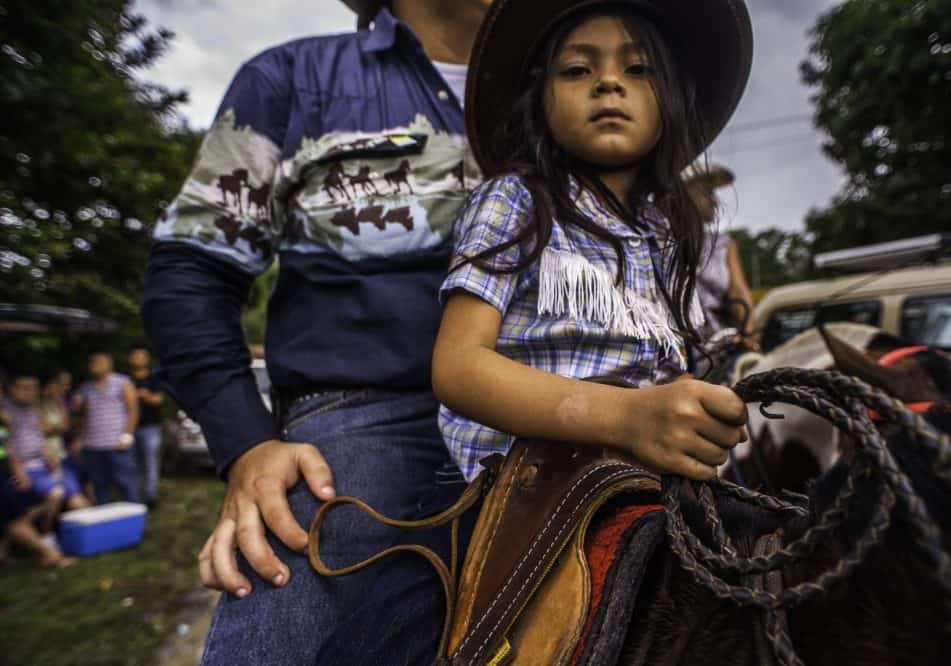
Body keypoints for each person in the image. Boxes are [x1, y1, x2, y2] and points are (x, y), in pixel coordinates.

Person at [140, 1, 492, 663]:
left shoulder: (580, 79)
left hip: (571, 411)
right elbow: (191, 269)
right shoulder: (292, 80)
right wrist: (247, 445)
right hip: (366, 423)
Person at [432, 0, 752, 483]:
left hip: (648, 478)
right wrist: (628, 417)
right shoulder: (514, 201)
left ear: (670, 100)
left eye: (638, 68)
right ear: (538, 99)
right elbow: (458, 367)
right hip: (536, 486)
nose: (608, 82)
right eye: (578, 69)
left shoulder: (663, 230)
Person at [3, 373, 89, 533]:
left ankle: (91, 532)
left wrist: (50, 456)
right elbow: (7, 444)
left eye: (33, 388)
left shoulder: (33, 409)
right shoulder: (5, 412)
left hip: (44, 464)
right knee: (56, 494)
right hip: (25, 469)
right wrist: (17, 470)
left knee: (77, 499)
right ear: (12, 390)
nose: (30, 392)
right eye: (25, 388)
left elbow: (39, 439)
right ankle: (46, 534)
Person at [688, 164, 758, 343]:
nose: (714, 201)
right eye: (707, 193)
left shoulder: (723, 245)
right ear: (684, 194)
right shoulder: (657, 243)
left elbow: (738, 292)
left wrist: (748, 335)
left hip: (721, 345)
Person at [73, 352, 139, 504]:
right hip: (93, 445)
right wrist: (80, 438)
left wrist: (127, 435)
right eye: (91, 362)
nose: (93, 365)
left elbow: (133, 409)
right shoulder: (86, 388)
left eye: (97, 361)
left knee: (125, 482)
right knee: (99, 485)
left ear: (108, 364)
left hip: (117, 443)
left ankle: (134, 519)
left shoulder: (122, 382)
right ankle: (108, 521)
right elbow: (84, 416)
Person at [127, 345, 165, 509]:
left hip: (150, 427)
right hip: (130, 428)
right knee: (133, 463)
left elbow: (159, 400)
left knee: (150, 461)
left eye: (142, 356)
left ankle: (150, 496)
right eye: (135, 356)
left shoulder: (154, 378)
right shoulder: (125, 380)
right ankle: (135, 497)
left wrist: (144, 395)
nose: (138, 359)